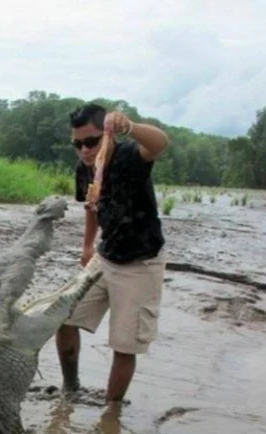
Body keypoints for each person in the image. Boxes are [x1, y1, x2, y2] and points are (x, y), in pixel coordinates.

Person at [56, 103, 169, 402]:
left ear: (107, 136)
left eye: (91, 142)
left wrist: (130, 126)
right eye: (77, 144)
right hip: (105, 256)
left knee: (124, 345)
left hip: (141, 262)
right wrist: (87, 245)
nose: (84, 150)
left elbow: (159, 143)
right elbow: (91, 206)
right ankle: (70, 389)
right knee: (64, 319)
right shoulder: (84, 168)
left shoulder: (130, 156)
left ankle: (111, 412)